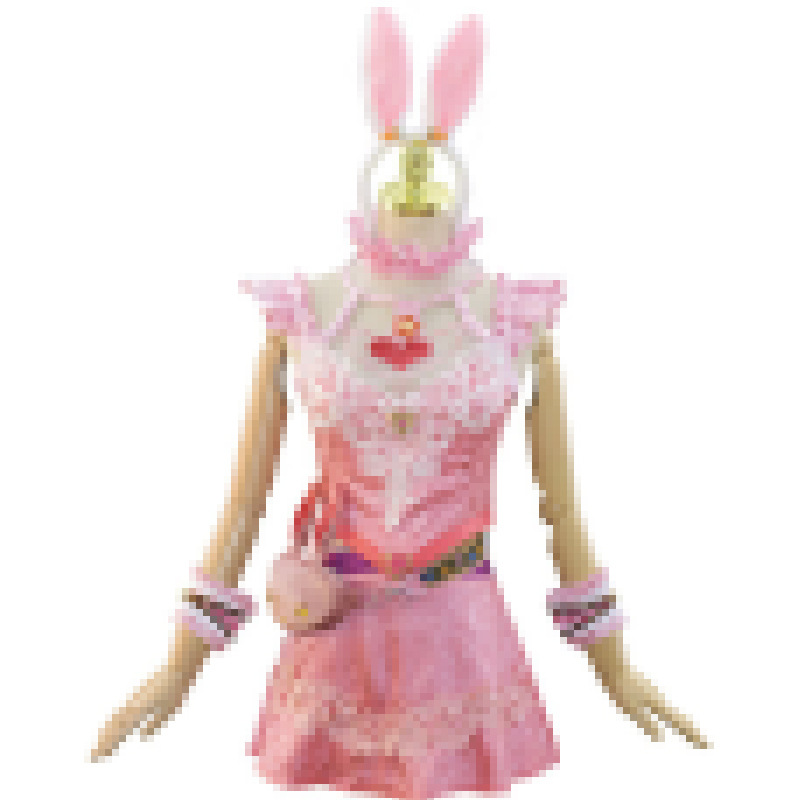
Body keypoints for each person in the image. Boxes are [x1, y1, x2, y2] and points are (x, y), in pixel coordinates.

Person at [91, 10, 708, 799]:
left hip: (463, 651)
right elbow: (242, 504)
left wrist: (616, 668)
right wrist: (179, 667)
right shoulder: (304, 313)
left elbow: (562, 510)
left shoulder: (515, 317)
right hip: (332, 639)